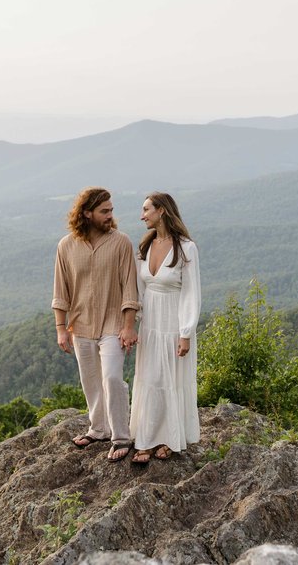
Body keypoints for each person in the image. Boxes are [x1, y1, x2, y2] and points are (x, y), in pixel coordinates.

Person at [52, 187, 139, 462]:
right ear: (87, 213)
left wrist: (128, 326)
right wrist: (60, 328)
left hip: (113, 324)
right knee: (90, 380)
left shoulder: (121, 242)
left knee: (112, 378)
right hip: (81, 326)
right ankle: (98, 429)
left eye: (111, 210)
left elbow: (130, 288)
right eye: (104, 211)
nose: (110, 215)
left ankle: (121, 435)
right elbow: (60, 290)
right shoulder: (66, 245)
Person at [129, 192, 201, 464]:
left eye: (146, 209)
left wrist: (185, 332)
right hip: (150, 324)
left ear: (162, 211)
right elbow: (140, 287)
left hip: (173, 323)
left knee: (170, 380)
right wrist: (134, 323)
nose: (142, 215)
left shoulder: (186, 248)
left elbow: (192, 293)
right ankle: (146, 438)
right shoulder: (145, 246)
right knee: (150, 379)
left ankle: (170, 439)